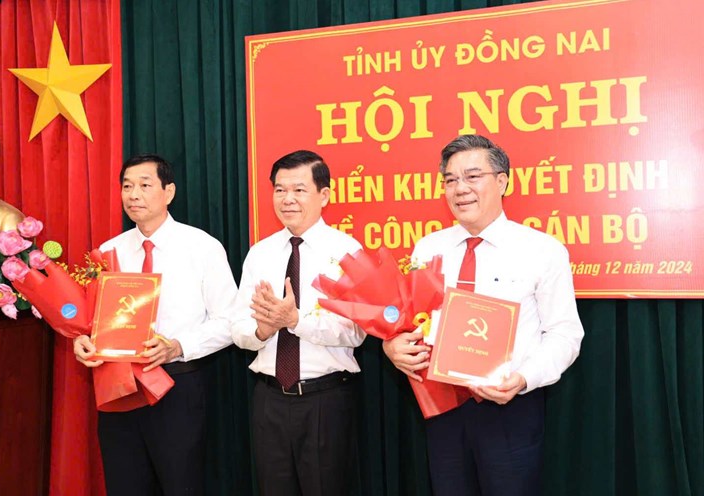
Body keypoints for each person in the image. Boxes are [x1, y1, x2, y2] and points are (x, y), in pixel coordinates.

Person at [383, 135, 584, 496]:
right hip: (441, 406)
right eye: (450, 179)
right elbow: (411, 322)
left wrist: (523, 378)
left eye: (473, 176)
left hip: (510, 409)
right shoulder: (428, 248)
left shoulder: (542, 250)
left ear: (503, 181)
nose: (460, 189)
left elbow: (564, 334)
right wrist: (393, 346)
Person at [73, 154, 238, 496]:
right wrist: (84, 341)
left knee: (181, 485)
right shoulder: (109, 251)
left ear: (169, 192)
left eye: (145, 185)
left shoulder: (202, 247)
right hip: (119, 388)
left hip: (177, 386)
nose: (133, 194)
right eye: (127, 186)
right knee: (125, 485)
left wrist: (177, 346)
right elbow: (95, 319)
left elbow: (229, 320)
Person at [231, 150, 365, 496]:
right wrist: (264, 328)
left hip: (325, 399)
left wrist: (295, 320)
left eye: (299, 190)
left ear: (324, 195)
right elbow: (239, 328)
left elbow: (356, 330)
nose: (287, 199)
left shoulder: (347, 251)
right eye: (279, 189)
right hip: (269, 400)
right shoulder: (260, 253)